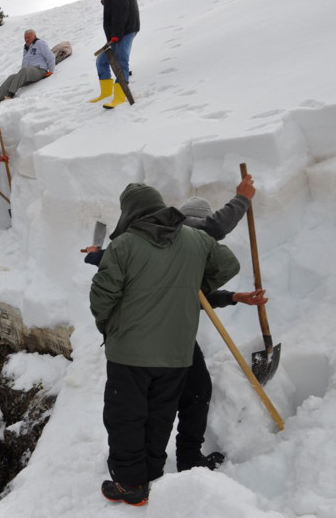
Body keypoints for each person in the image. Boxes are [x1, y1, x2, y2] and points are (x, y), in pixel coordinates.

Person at [84, 176, 263, 473]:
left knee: (147, 407)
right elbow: (218, 229)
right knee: (168, 404)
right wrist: (242, 198)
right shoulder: (188, 233)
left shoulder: (165, 242)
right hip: (166, 341)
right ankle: (164, 464)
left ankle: (145, 469)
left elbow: (183, 294)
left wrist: (231, 297)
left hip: (157, 337)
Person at [90, 0, 140, 108]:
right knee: (102, 61)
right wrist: (107, 2)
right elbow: (115, 4)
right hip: (118, 31)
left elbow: (121, 8)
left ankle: (120, 96)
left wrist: (117, 33)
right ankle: (106, 93)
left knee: (120, 60)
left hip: (125, 29)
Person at [0, 30, 55, 103]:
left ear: (35, 37)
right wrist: (20, 75)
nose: (27, 39)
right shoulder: (26, 47)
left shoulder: (40, 43)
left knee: (24, 70)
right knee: (12, 77)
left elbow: (50, 56)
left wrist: (51, 71)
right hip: (28, 73)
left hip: (40, 70)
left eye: (29, 37)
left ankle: (11, 94)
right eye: (25, 37)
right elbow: (25, 62)